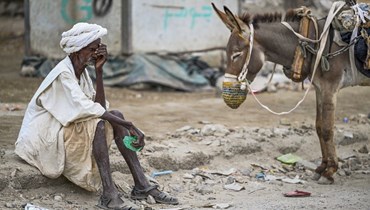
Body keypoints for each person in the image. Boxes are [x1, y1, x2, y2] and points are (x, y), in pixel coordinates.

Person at [15, 22, 178, 210]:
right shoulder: (63, 74)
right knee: (99, 124)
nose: (97, 54)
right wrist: (130, 125)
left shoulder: (82, 73)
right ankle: (109, 194)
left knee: (115, 114)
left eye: (99, 49)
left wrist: (99, 72)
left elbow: (99, 107)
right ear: (77, 50)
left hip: (62, 131)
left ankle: (142, 185)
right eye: (93, 49)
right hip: (43, 139)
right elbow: (88, 109)